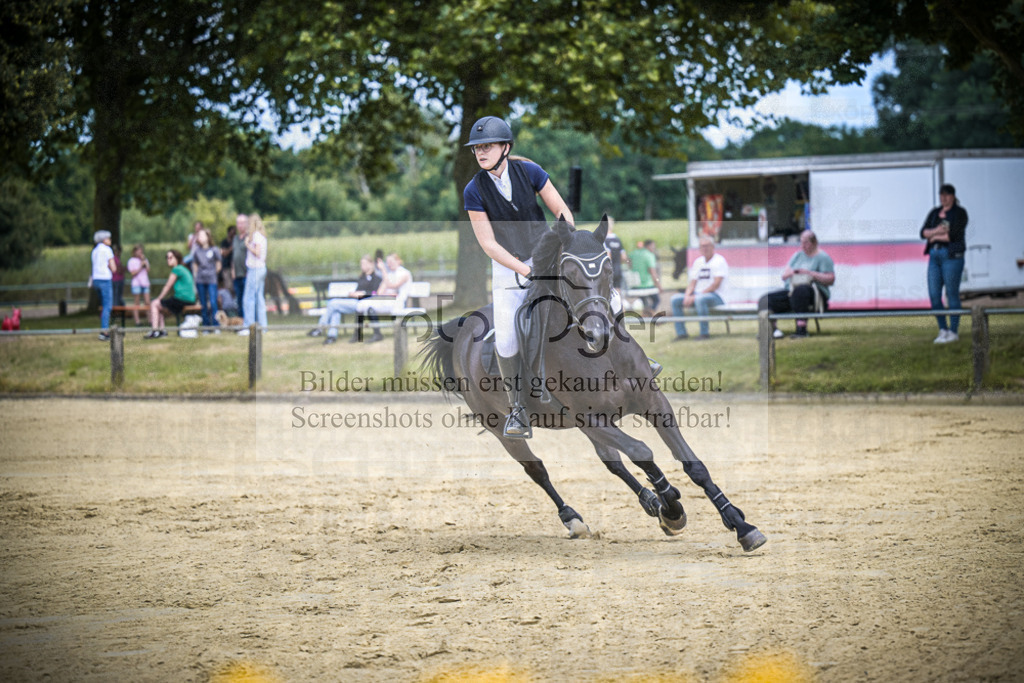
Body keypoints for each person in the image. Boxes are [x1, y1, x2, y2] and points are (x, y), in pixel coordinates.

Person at [463, 115, 575, 439]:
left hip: (548, 256)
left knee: (595, 292)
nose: (481, 152)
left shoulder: (531, 172)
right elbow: (487, 243)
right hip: (508, 270)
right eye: (476, 148)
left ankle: (633, 361)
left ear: (505, 147)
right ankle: (518, 410)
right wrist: (524, 269)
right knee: (508, 337)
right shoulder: (474, 190)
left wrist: (569, 243)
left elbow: (562, 212)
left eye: (487, 146)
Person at [757, 229, 835, 338]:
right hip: (792, 291)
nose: (803, 245)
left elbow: (831, 279)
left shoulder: (823, 257)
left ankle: (801, 329)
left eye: (806, 242)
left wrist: (810, 273)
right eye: (801, 242)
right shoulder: (797, 256)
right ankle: (770, 329)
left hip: (814, 294)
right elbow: (784, 276)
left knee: (801, 290)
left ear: (814, 243)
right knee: (765, 299)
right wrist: (791, 273)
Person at [921, 183, 968, 344]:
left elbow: (953, 235)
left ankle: (953, 331)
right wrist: (937, 232)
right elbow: (923, 232)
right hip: (934, 255)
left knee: (952, 293)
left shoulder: (959, 213)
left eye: (947, 195)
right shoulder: (934, 213)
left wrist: (933, 235)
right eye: (942, 195)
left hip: (951, 255)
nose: (944, 198)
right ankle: (943, 329)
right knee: (934, 294)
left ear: (953, 196)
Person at [307, 255, 382, 345]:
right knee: (335, 310)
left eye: (364, 263)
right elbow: (356, 290)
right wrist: (353, 293)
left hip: (362, 303)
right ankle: (332, 336)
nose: (362, 266)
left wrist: (363, 293)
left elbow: (375, 292)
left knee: (333, 303)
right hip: (353, 301)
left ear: (371, 264)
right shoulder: (362, 277)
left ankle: (320, 328)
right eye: (361, 264)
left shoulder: (376, 278)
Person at [670, 235, 729, 340]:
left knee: (700, 299)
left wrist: (697, 295)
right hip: (698, 295)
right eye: (702, 246)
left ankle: (704, 333)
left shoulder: (719, 261)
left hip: (717, 296)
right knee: (675, 299)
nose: (704, 248)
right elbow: (692, 283)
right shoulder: (698, 262)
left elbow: (716, 284)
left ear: (713, 246)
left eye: (707, 246)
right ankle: (681, 333)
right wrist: (688, 295)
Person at [145, 249, 196, 339]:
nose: (168, 259)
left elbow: (168, 286)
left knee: (155, 303)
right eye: (167, 258)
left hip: (182, 300)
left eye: (171, 257)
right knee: (159, 306)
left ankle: (155, 331)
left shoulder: (177, 269)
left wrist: (159, 298)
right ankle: (162, 330)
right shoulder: (183, 268)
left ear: (177, 259)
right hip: (189, 300)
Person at [238, 213, 267, 336]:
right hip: (261, 269)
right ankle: (263, 326)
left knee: (248, 299)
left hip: (255, 269)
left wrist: (247, 245)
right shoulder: (262, 236)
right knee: (259, 299)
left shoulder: (256, 236)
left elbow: (257, 252)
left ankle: (248, 326)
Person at [189, 226, 222, 331]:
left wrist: (212, 273)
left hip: (212, 280)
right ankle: (205, 326)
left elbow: (218, 264)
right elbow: (194, 264)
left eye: (202, 235)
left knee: (213, 302)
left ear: (208, 237)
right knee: (203, 303)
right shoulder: (197, 251)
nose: (200, 237)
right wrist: (197, 274)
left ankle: (216, 325)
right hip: (200, 280)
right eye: (199, 236)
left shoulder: (214, 250)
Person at [90, 230, 116, 341]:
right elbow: (113, 267)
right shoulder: (107, 250)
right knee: (107, 306)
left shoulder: (95, 251)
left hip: (96, 280)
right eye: (108, 238)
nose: (110, 240)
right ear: (104, 239)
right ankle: (104, 331)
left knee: (103, 305)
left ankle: (104, 324)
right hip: (105, 279)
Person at [629, 239, 663, 316]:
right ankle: (650, 313)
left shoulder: (635, 253)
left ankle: (646, 313)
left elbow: (628, 259)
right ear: (648, 246)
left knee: (644, 301)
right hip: (647, 285)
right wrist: (659, 285)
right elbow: (653, 273)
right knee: (656, 300)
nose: (654, 248)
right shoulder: (649, 255)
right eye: (653, 247)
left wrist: (631, 266)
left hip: (636, 285)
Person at [127, 244, 151, 326]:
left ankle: (150, 320)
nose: (140, 253)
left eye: (141, 251)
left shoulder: (144, 260)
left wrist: (144, 262)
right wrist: (140, 266)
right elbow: (133, 273)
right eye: (138, 251)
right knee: (136, 303)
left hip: (145, 283)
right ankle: (137, 321)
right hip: (136, 283)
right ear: (134, 252)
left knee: (147, 302)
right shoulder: (131, 261)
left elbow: (148, 270)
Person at [230, 214, 248, 317]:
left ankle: (248, 322)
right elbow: (234, 255)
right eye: (238, 223)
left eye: (242, 223)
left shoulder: (249, 237)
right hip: (237, 275)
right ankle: (242, 322)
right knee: (239, 300)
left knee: (247, 300)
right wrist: (233, 271)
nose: (240, 225)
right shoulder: (235, 238)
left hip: (246, 274)